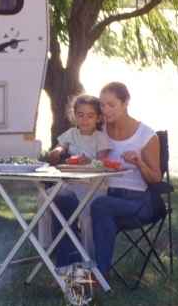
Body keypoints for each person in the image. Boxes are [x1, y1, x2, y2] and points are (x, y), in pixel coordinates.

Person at [53, 82, 162, 277]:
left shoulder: (146, 136)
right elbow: (76, 143)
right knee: (60, 200)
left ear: (126, 102)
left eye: (111, 105)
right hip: (100, 193)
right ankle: (68, 265)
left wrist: (138, 162)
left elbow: (155, 178)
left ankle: (97, 275)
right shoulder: (98, 132)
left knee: (100, 206)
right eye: (102, 105)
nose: (105, 110)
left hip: (136, 201)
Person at [43, 94, 111, 258]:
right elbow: (60, 147)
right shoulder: (71, 133)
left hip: (93, 185)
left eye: (90, 116)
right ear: (74, 116)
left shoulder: (100, 137)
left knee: (87, 214)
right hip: (71, 183)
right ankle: (45, 245)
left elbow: (103, 164)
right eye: (80, 115)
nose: (85, 120)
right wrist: (56, 152)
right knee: (44, 198)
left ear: (98, 118)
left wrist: (88, 161)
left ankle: (89, 256)